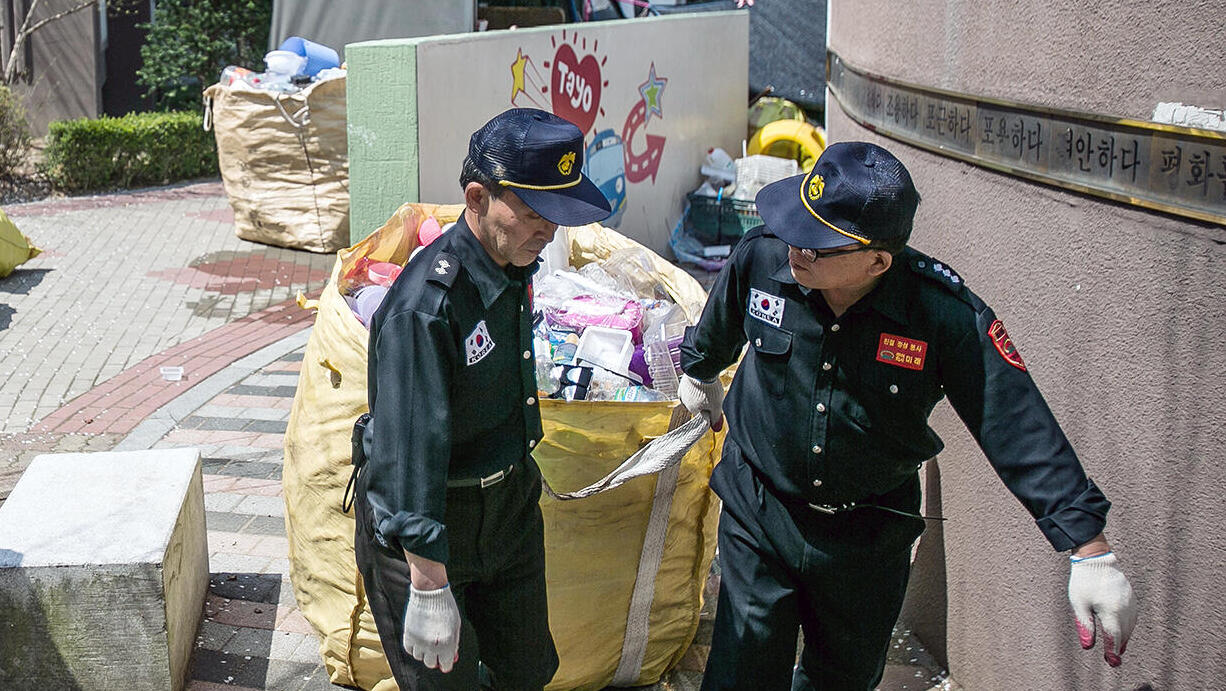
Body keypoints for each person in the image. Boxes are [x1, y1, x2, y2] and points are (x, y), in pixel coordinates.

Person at [677, 141, 1138, 690]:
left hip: (867, 534)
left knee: (842, 679)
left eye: (819, 244)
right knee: (743, 667)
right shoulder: (764, 255)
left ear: (877, 260)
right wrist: (699, 374)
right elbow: (718, 326)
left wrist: (1088, 549)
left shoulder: (941, 315)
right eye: (797, 224)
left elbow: (1014, 420)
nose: (797, 247)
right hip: (762, 509)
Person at [353, 108, 611, 690]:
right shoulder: (427, 305)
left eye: (557, 215)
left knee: (525, 672)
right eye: (534, 213)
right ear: (477, 197)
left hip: (508, 510)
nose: (548, 230)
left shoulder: (511, 261)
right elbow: (408, 449)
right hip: (431, 522)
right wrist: (427, 579)